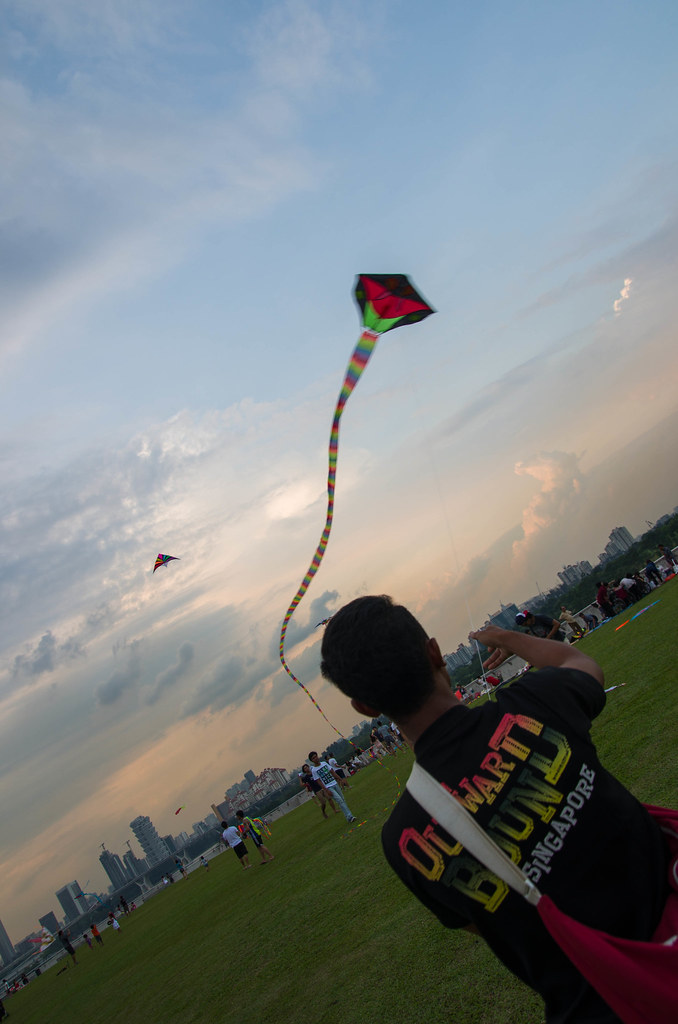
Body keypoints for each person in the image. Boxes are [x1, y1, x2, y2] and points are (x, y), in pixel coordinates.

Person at [319, 595, 670, 1024]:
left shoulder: (404, 840)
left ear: (365, 707)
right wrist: (506, 637)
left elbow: (487, 922)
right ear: (435, 653)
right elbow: (580, 663)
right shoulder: (534, 703)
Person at [308, 751, 356, 823]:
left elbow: (332, 772)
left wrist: (340, 779)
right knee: (339, 800)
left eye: (316, 756)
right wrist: (326, 790)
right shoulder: (314, 770)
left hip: (334, 783)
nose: (316, 758)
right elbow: (319, 781)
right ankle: (350, 816)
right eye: (313, 758)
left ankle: (348, 816)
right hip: (328, 787)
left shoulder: (324, 764)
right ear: (312, 760)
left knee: (342, 799)